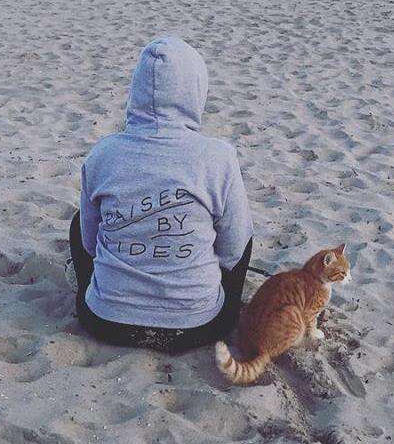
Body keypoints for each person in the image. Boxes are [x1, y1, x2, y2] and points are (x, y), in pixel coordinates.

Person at [68, 36, 254, 353]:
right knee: (243, 230)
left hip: (106, 323)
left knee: (79, 223)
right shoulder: (217, 156)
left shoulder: (104, 153)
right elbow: (234, 249)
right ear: (196, 90)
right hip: (200, 327)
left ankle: (106, 292)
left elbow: (88, 243)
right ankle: (204, 300)